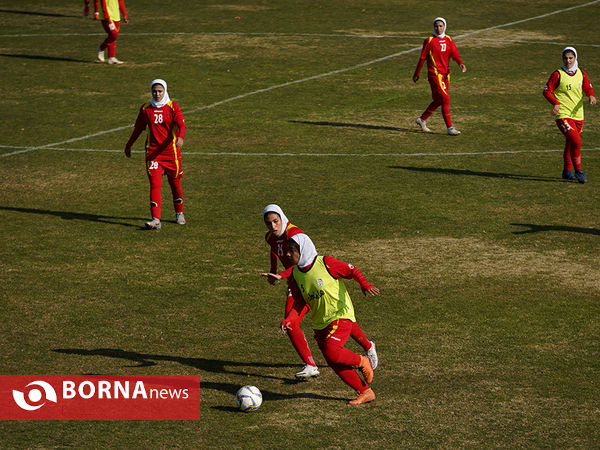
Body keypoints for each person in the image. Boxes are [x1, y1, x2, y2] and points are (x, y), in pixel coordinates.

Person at [262, 205, 379, 379]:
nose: (273, 227)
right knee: (291, 322)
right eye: (268, 223)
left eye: (275, 221)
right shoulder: (271, 237)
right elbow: (274, 251)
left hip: (312, 279)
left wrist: (281, 275)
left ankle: (367, 349)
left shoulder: (294, 235)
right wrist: (273, 271)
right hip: (296, 283)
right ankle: (310, 364)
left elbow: (302, 263)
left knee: (338, 317)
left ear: (282, 218)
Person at [125, 79, 187, 229]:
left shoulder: (173, 107)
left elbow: (181, 124)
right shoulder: (146, 109)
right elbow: (138, 128)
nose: (157, 94)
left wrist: (181, 137)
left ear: (165, 91)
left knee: (175, 183)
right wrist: (129, 145)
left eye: (160, 91)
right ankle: (156, 220)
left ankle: (179, 213)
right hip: (153, 154)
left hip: (171, 153)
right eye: (154, 91)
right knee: (154, 185)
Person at [543, 46, 596, 183]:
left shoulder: (581, 73)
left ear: (575, 58)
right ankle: (579, 171)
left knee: (571, 143)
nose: (568, 61)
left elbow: (587, 87)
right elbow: (547, 91)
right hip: (563, 115)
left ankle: (567, 171)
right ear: (562, 59)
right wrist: (555, 103)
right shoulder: (558, 74)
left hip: (578, 115)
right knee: (576, 141)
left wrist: (591, 95)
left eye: (571, 58)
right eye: (565, 58)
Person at [413, 17, 466, 136]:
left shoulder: (448, 39)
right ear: (433, 27)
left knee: (438, 100)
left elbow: (454, 53)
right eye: (436, 26)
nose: (439, 28)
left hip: (445, 75)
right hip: (434, 74)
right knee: (445, 99)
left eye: (441, 26)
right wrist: (417, 73)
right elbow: (422, 58)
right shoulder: (429, 40)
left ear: (445, 26)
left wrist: (460, 63)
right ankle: (450, 128)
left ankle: (421, 120)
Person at [96, 0, 128, 64]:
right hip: (107, 17)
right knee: (114, 35)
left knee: (112, 37)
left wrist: (124, 14)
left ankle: (111, 58)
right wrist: (106, 15)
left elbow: (120, 1)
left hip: (116, 16)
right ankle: (101, 48)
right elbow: (103, 2)